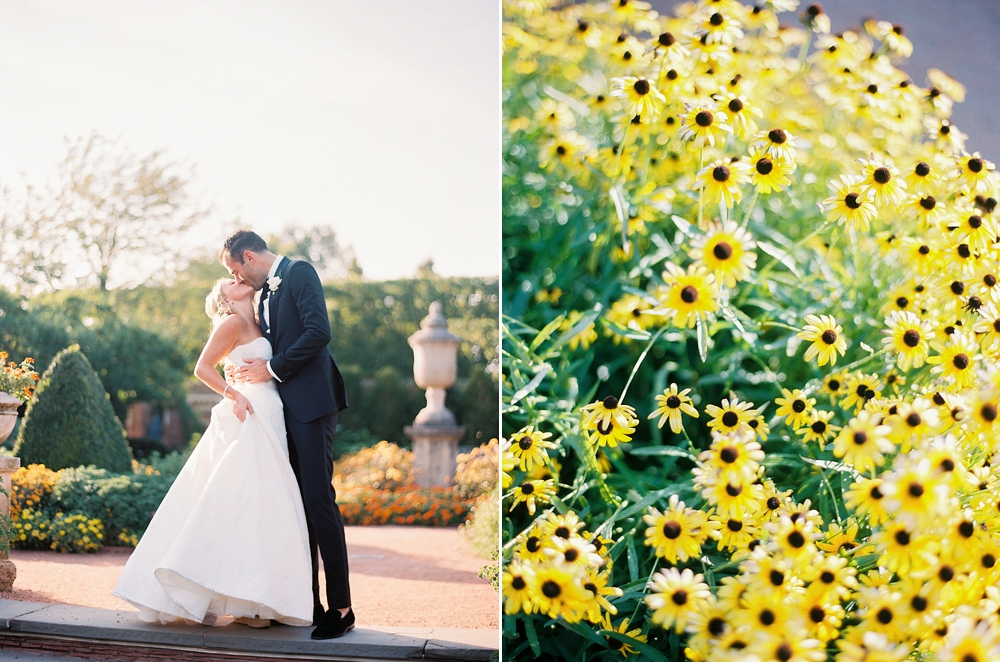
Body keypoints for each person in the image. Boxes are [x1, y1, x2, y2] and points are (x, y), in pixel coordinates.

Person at [113, 277, 313, 627]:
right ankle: (225, 596)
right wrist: (233, 394)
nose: (239, 280)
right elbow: (202, 368)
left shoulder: (259, 322)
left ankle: (253, 602)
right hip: (246, 415)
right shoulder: (232, 322)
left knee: (259, 505)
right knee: (239, 501)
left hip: (268, 414)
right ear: (224, 297)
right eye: (229, 281)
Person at [220, 229, 354, 640]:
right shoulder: (262, 295)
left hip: (313, 405)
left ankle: (342, 609)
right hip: (282, 412)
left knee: (318, 499)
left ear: (248, 257)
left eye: (235, 271)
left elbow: (319, 333)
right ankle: (308, 602)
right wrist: (244, 369)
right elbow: (260, 345)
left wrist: (271, 368)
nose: (238, 280)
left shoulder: (299, 273)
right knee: (295, 507)